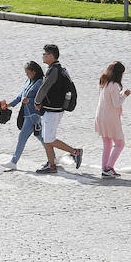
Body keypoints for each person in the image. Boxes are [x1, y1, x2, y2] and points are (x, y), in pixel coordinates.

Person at [31, 44, 83, 174]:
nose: (42, 56)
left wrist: (37, 101)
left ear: (51, 56)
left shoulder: (54, 70)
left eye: (44, 54)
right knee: (46, 137)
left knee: (49, 139)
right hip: (54, 109)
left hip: (53, 110)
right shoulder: (57, 69)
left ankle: (75, 152)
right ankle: (51, 164)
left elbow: (45, 87)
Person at [0, 60, 44, 171]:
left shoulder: (39, 83)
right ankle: (54, 157)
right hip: (27, 115)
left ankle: (13, 162)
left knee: (23, 138)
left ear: (34, 72)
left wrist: (29, 100)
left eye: (28, 73)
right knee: (41, 137)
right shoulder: (28, 81)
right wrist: (10, 105)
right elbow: (20, 96)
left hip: (34, 115)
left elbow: (41, 99)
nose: (27, 75)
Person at [95, 61, 131, 178]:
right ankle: (109, 167)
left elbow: (110, 100)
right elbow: (116, 104)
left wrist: (120, 94)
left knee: (107, 143)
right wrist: (125, 95)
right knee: (120, 143)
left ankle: (105, 168)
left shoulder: (105, 83)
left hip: (101, 116)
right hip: (110, 118)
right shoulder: (114, 85)